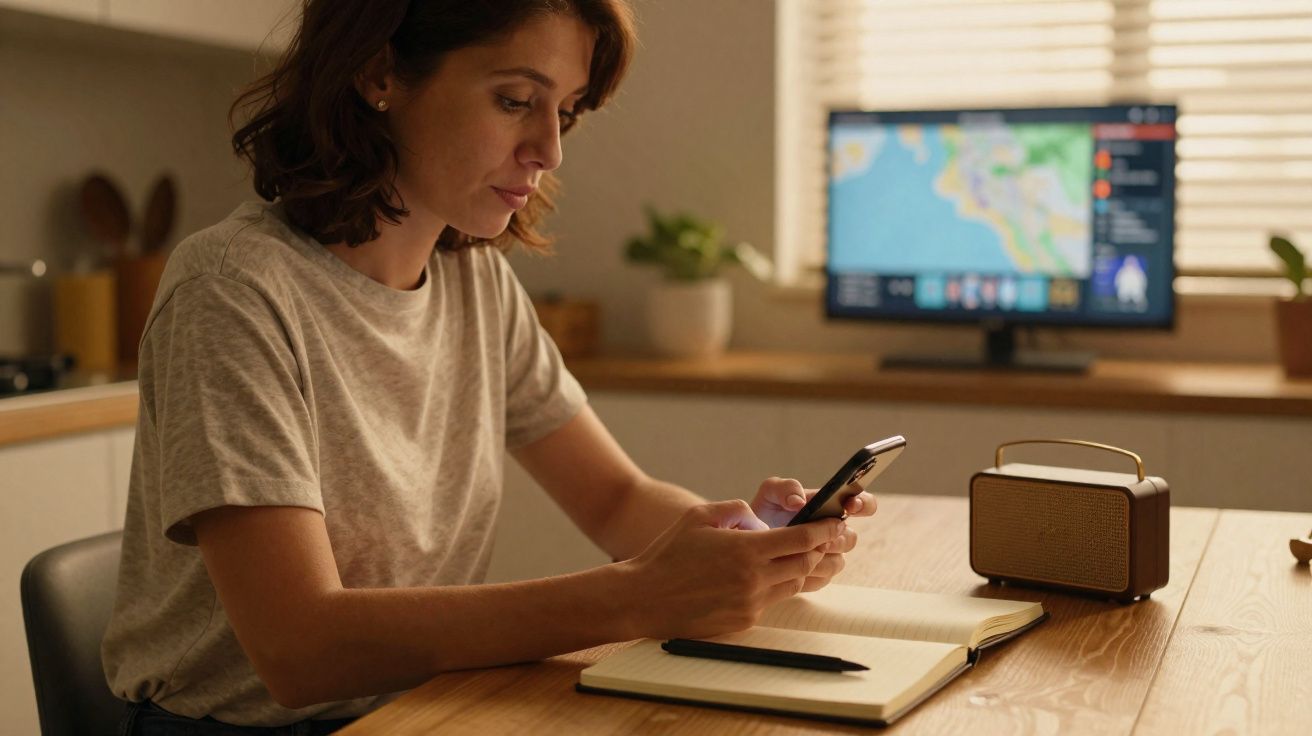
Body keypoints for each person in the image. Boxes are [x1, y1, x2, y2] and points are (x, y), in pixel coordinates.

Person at [101, 1, 874, 732]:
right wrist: (638, 597)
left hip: (424, 705)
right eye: (515, 101)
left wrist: (747, 546)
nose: (550, 149)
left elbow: (615, 498)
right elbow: (301, 649)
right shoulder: (231, 290)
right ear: (378, 76)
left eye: (564, 111)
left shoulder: (474, 280)